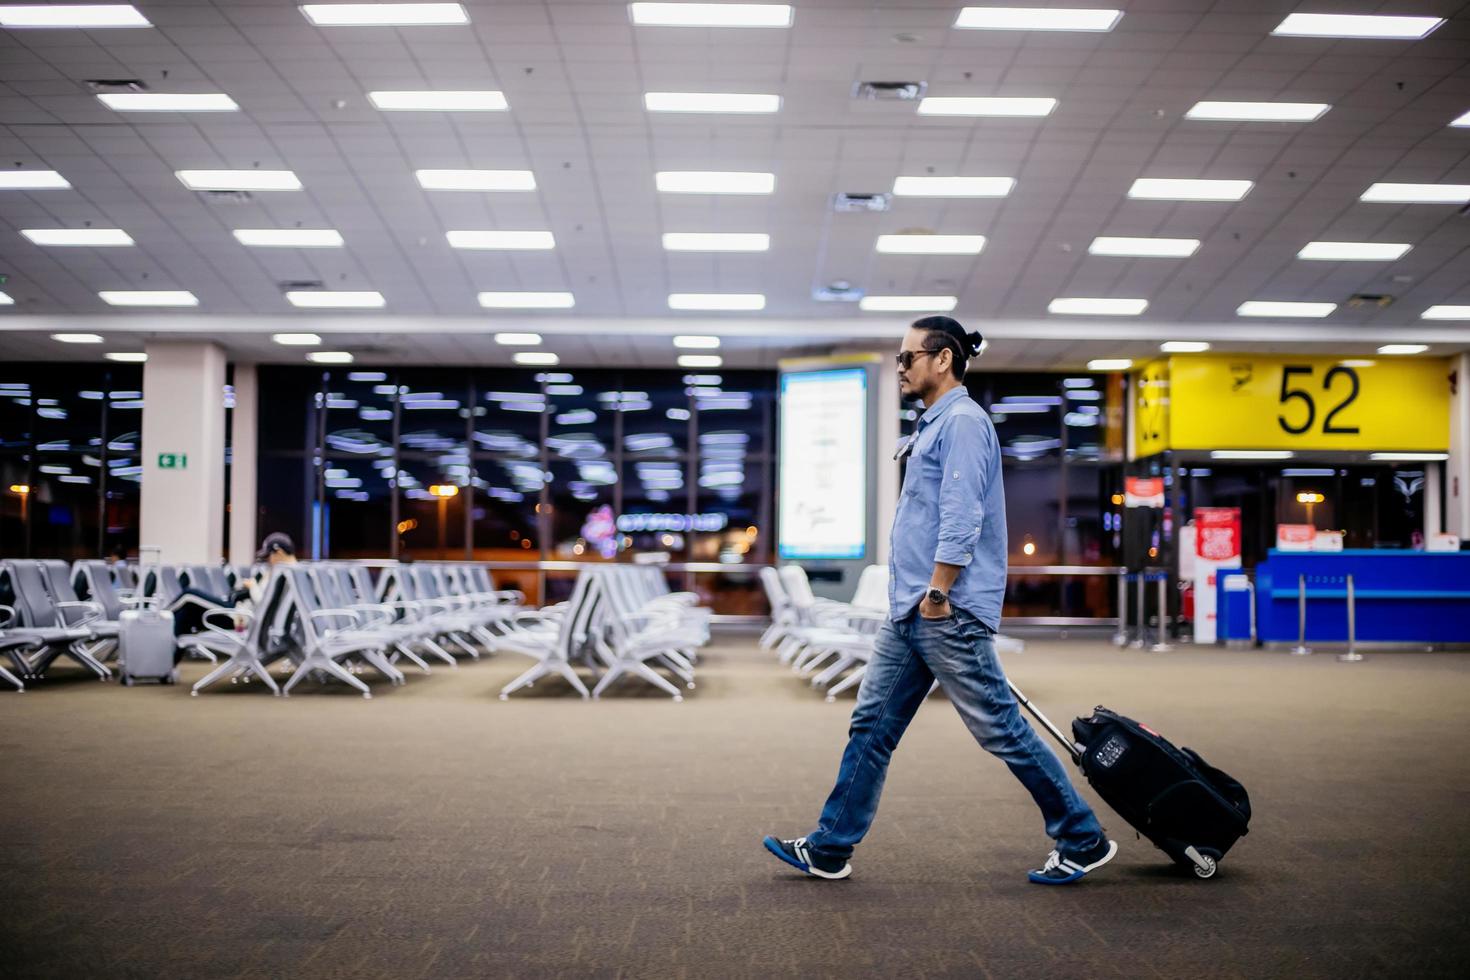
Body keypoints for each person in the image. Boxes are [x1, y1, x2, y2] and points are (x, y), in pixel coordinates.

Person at [763, 316, 1116, 885]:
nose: (900, 368)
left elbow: (961, 516)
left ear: (943, 359)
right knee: (871, 727)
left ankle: (1082, 837)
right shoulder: (934, 424)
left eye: (907, 358)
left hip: (942, 609)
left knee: (1000, 728)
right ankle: (831, 847)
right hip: (910, 611)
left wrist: (938, 591)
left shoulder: (964, 423)